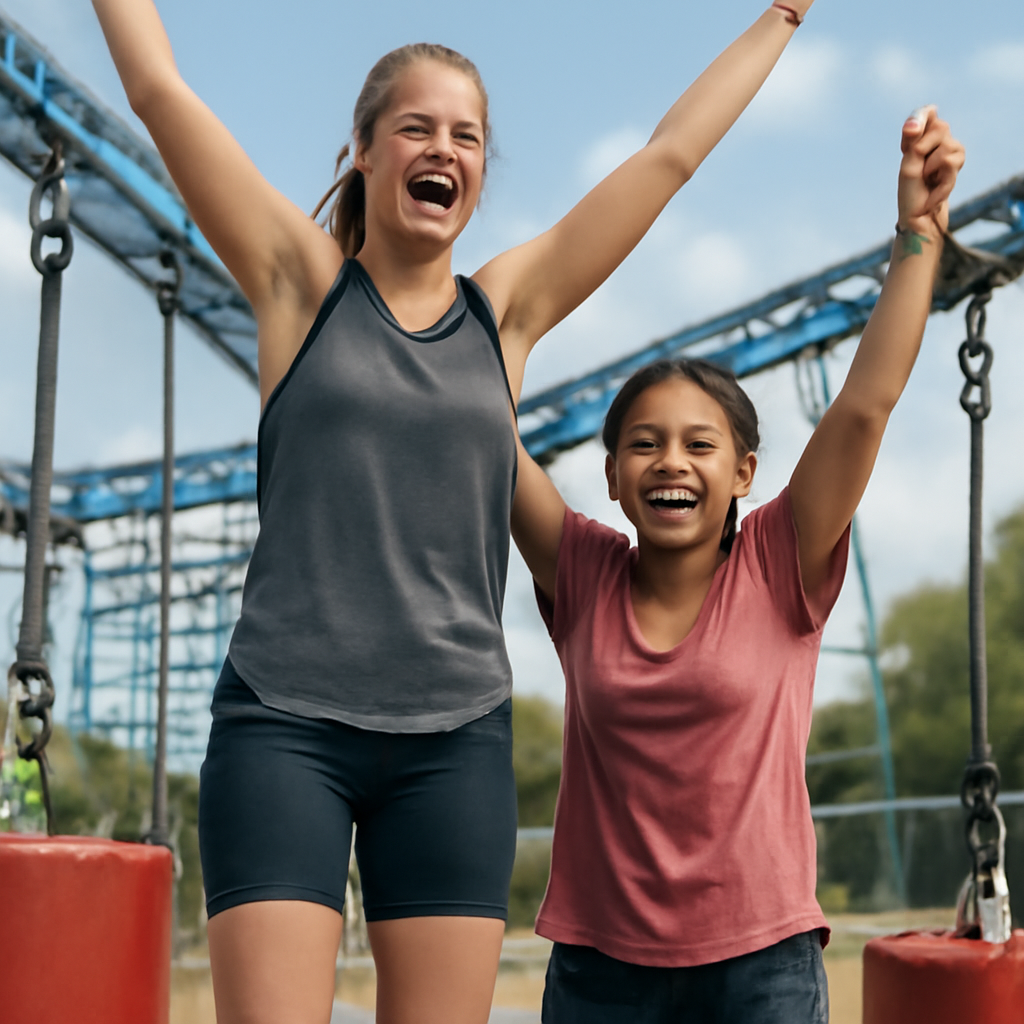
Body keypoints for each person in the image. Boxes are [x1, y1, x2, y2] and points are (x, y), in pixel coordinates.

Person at [91, 2, 819, 1022]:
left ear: (480, 170)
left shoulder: (503, 311)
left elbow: (669, 158)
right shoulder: (297, 284)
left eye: (466, 135)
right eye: (417, 129)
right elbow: (160, 91)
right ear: (365, 149)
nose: (443, 149)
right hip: (284, 724)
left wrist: (781, 16)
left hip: (453, 744)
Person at [510, 109, 964, 1023]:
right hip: (598, 970)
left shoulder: (778, 562)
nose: (670, 461)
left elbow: (867, 405)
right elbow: (475, 420)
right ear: (611, 476)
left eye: (698, 444)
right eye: (643, 445)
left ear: (742, 473)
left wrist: (918, 234)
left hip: (760, 966)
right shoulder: (583, 570)